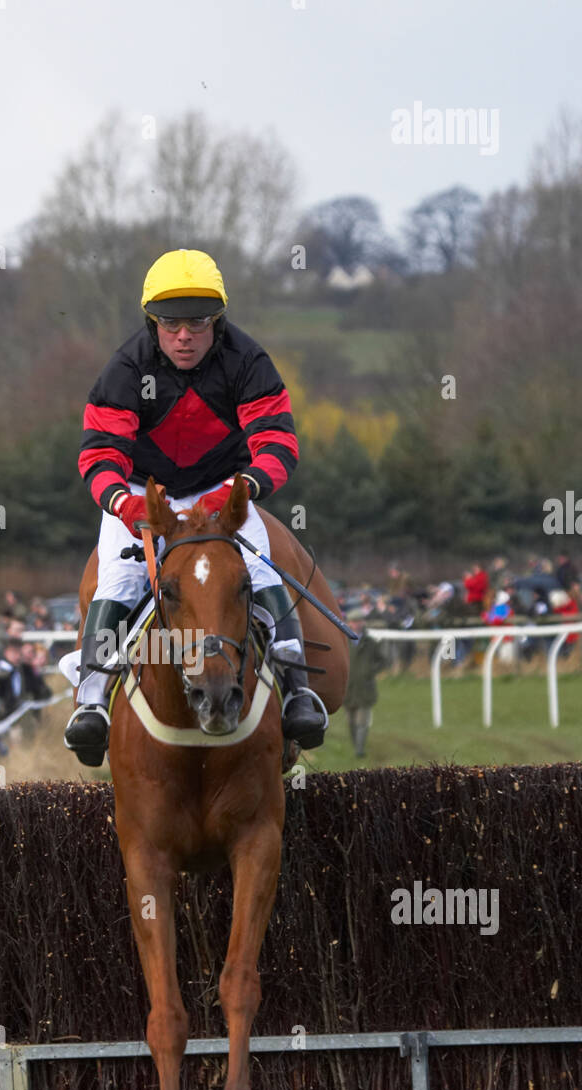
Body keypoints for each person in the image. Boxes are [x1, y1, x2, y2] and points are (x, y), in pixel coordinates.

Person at [64, 247, 326, 765]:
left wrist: (243, 488)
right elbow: (100, 453)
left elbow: (277, 442)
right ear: (153, 323)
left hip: (221, 487)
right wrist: (123, 502)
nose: (184, 335)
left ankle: (297, 691)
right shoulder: (125, 367)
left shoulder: (247, 362)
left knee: (258, 565)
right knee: (119, 577)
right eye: (171, 323)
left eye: (198, 323)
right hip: (144, 491)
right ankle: (91, 700)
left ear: (217, 322)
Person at [343, 612, 388, 759]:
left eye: (359, 621)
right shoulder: (343, 642)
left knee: (362, 720)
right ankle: (356, 744)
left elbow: (383, 660)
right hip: (348, 688)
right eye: (354, 621)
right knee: (351, 721)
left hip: (365, 688)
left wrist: (370, 672)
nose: (357, 624)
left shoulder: (370, 642)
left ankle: (359, 750)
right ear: (349, 623)